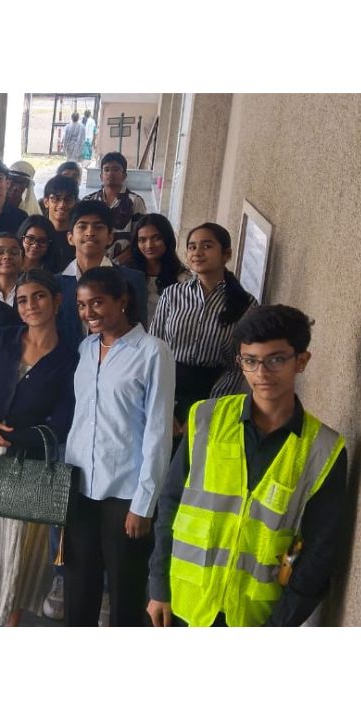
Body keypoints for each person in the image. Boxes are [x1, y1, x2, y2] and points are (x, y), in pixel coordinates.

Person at [147, 305, 348, 627]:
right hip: (184, 605)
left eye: (275, 360)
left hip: (255, 617)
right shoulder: (206, 418)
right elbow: (170, 503)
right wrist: (159, 586)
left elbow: (319, 553)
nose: (261, 373)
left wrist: (278, 627)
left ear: (301, 361)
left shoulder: (323, 449)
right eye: (250, 361)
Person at [0, 269, 78, 626]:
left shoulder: (70, 358)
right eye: (22, 300)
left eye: (39, 296)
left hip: (30, 462)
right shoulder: (2, 339)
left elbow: (63, 420)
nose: (30, 306)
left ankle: (10, 624)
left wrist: (13, 437)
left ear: (57, 300)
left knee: (18, 547)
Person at [65, 267, 175, 626]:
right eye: (82, 305)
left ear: (122, 300)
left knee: (125, 593)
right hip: (80, 486)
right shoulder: (86, 348)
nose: (89, 312)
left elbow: (158, 431)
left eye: (97, 302)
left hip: (126, 492)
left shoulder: (152, 352)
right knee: (79, 589)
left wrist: (144, 504)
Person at [149, 222, 257, 433]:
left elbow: (237, 366)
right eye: (192, 247)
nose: (197, 253)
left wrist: (209, 411)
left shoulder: (245, 304)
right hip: (167, 387)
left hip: (212, 391)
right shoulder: (172, 294)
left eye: (207, 246)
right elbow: (154, 348)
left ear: (226, 254)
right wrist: (162, 405)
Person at [56, 200, 148, 352]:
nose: (90, 232)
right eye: (82, 226)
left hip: (119, 362)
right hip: (67, 364)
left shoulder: (133, 280)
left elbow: (139, 332)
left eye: (98, 227)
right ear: (70, 237)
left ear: (110, 237)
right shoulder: (56, 284)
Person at [82, 152, 147, 263]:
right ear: (101, 176)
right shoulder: (89, 201)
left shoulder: (135, 201)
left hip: (125, 264)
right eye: (106, 170)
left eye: (116, 169)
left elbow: (140, 237)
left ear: (124, 175)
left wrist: (117, 262)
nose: (110, 173)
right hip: (93, 261)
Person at [130, 213, 190, 324]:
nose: (149, 245)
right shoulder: (128, 275)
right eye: (142, 240)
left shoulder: (183, 279)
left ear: (168, 239)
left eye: (157, 238)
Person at [42, 175, 80, 272]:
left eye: (68, 199)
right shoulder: (36, 232)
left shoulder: (79, 235)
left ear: (75, 203)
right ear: (46, 202)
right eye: (56, 199)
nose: (62, 205)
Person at [0, 232, 23, 306]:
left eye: (14, 252)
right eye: (0, 252)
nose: (7, 256)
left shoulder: (30, 288)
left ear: (22, 257)